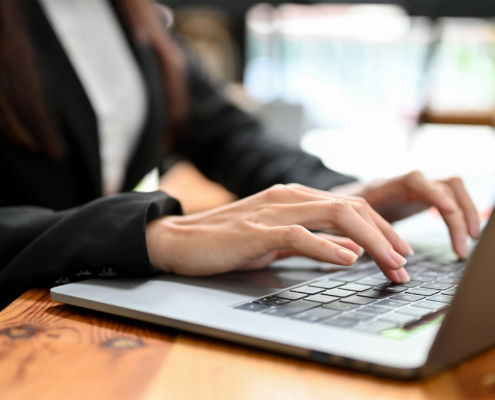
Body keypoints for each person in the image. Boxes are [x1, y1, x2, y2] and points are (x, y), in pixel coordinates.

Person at [0, 0, 480, 310]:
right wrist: (152, 235)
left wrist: (340, 195)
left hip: (73, 302)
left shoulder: (129, 14)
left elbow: (224, 132)